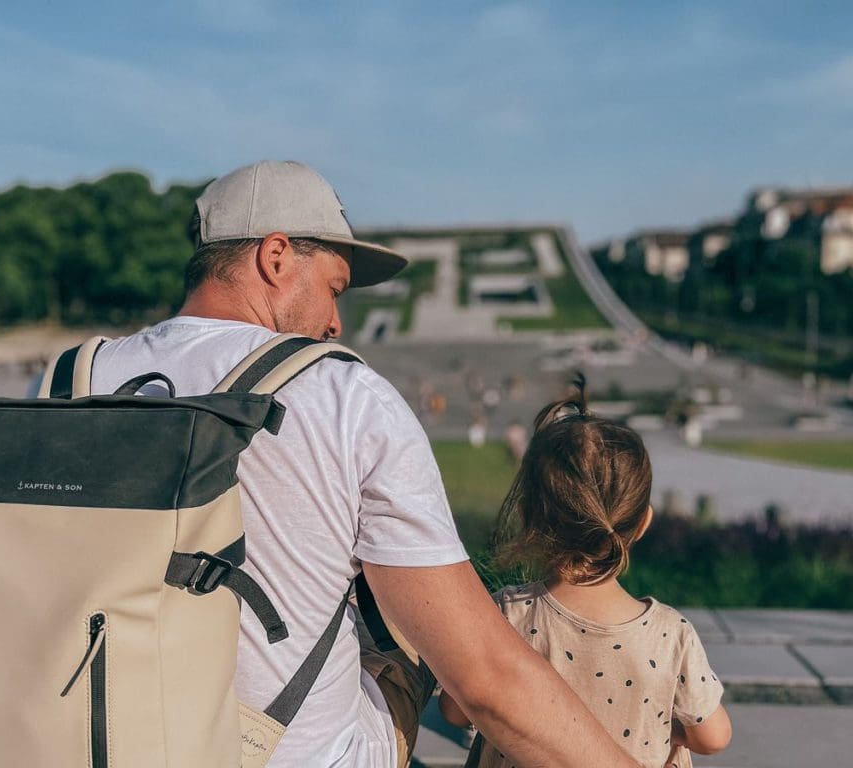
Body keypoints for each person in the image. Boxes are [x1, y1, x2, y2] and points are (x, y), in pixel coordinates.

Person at [89, 161, 640, 768]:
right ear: (275, 258)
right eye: (333, 288)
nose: (335, 322)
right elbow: (485, 680)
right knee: (407, 616)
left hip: (93, 733)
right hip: (277, 754)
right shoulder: (344, 395)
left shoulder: (69, 377)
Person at [438, 378, 732, 768]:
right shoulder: (670, 635)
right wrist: (662, 727)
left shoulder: (509, 614)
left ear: (529, 518)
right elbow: (713, 737)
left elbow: (456, 712)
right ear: (642, 524)